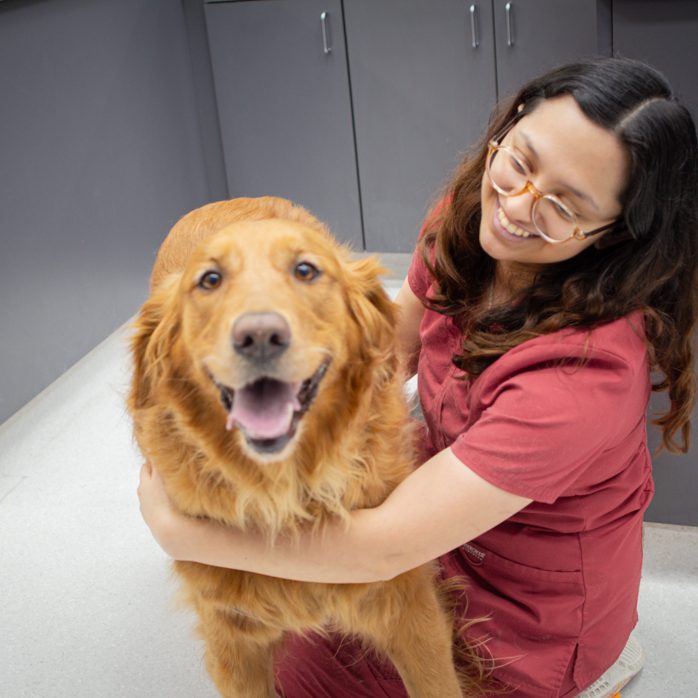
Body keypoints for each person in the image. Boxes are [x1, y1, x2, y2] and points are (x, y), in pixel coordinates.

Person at [137, 57, 698, 697]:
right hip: (433, 510)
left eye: (565, 206)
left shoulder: (585, 376)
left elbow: (382, 551)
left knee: (311, 645)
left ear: (612, 233)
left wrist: (185, 532)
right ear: (506, 128)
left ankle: (597, 668)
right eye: (520, 162)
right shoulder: (470, 225)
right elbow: (385, 359)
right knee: (278, 612)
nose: (516, 206)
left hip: (525, 611)